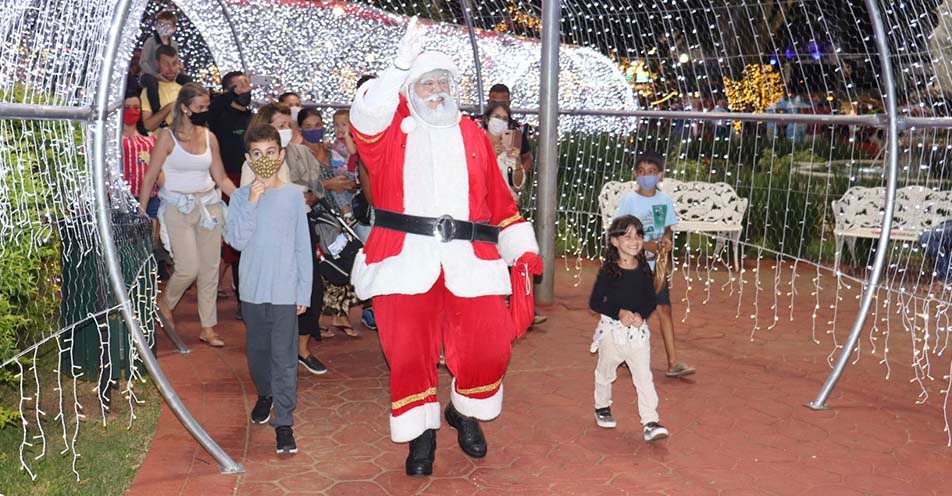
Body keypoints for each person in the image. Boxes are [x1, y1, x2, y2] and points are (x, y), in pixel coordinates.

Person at [349, 18, 542, 476]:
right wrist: (397, 67)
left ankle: (464, 410)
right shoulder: (390, 131)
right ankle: (421, 435)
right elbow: (365, 115)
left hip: (469, 261)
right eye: (426, 82)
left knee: (488, 348)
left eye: (443, 82)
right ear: (409, 91)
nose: (436, 90)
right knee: (408, 353)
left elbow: (500, 200)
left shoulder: (474, 134)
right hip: (403, 259)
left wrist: (521, 246)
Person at [224, 124, 312, 454]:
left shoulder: (292, 195)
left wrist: (303, 292)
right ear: (248, 158)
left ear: (281, 155)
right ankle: (266, 393)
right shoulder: (239, 197)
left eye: (270, 153)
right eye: (257, 154)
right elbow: (236, 241)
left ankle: (284, 421)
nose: (265, 159)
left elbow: (303, 246)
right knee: (258, 354)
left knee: (284, 357)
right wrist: (250, 202)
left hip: (285, 290)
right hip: (252, 289)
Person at [138, 82, 238, 347]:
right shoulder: (166, 138)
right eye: (200, 107)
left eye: (207, 107)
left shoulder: (208, 136)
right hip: (177, 207)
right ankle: (165, 303)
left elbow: (221, 177)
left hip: (209, 206)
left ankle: (208, 327)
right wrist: (141, 212)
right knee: (188, 267)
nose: (205, 111)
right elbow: (149, 177)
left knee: (210, 268)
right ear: (184, 107)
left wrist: (241, 198)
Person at [239, 102, 330, 373]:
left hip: (301, 225)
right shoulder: (257, 162)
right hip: (270, 237)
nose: (286, 130)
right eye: (280, 126)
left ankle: (301, 349)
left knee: (311, 289)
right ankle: (274, 362)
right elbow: (248, 201)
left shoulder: (298, 153)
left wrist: (309, 196)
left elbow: (317, 188)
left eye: (288, 125)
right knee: (276, 301)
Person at [613, 151, 696, 378]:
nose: (646, 176)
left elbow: (667, 227)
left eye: (651, 172)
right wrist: (644, 245)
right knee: (632, 312)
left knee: (664, 308)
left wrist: (666, 240)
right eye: (641, 172)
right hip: (633, 265)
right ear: (635, 175)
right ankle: (622, 355)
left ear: (660, 175)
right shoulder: (630, 200)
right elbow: (620, 231)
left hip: (656, 266)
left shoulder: (664, 201)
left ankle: (673, 361)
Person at [589, 215, 670, 441]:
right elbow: (596, 302)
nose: (634, 241)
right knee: (606, 372)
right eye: (627, 236)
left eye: (638, 235)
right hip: (612, 333)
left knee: (644, 377)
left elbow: (650, 299)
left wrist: (640, 315)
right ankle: (602, 406)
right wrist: (619, 312)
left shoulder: (644, 270)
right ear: (615, 241)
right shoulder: (608, 271)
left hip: (638, 336)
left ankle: (650, 421)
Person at [209, 70, 254, 320]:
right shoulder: (220, 116)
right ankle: (240, 297)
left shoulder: (252, 118)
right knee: (235, 239)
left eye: (248, 84)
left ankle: (245, 292)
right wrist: (226, 98)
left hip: (251, 178)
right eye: (240, 86)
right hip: (229, 180)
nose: (246, 89)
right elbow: (212, 112)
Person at [138, 10, 190, 126]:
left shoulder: (174, 44)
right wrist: (156, 75)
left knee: (187, 80)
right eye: (161, 25)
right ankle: (157, 113)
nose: (164, 28)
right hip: (149, 75)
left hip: (168, 74)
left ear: (174, 28)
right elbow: (143, 62)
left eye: (167, 25)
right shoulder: (150, 42)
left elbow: (176, 60)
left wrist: (179, 69)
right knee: (152, 84)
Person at [480, 101, 525, 199]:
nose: (500, 121)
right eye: (497, 117)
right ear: (487, 120)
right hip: (484, 206)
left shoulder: (508, 149)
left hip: (507, 207)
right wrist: (492, 156)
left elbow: (517, 186)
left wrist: (517, 161)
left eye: (505, 119)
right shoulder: (477, 145)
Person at [140, 45, 184, 131]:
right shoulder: (149, 91)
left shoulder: (185, 88)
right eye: (166, 64)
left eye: (174, 63)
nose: (171, 69)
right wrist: (169, 107)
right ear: (157, 64)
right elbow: (147, 126)